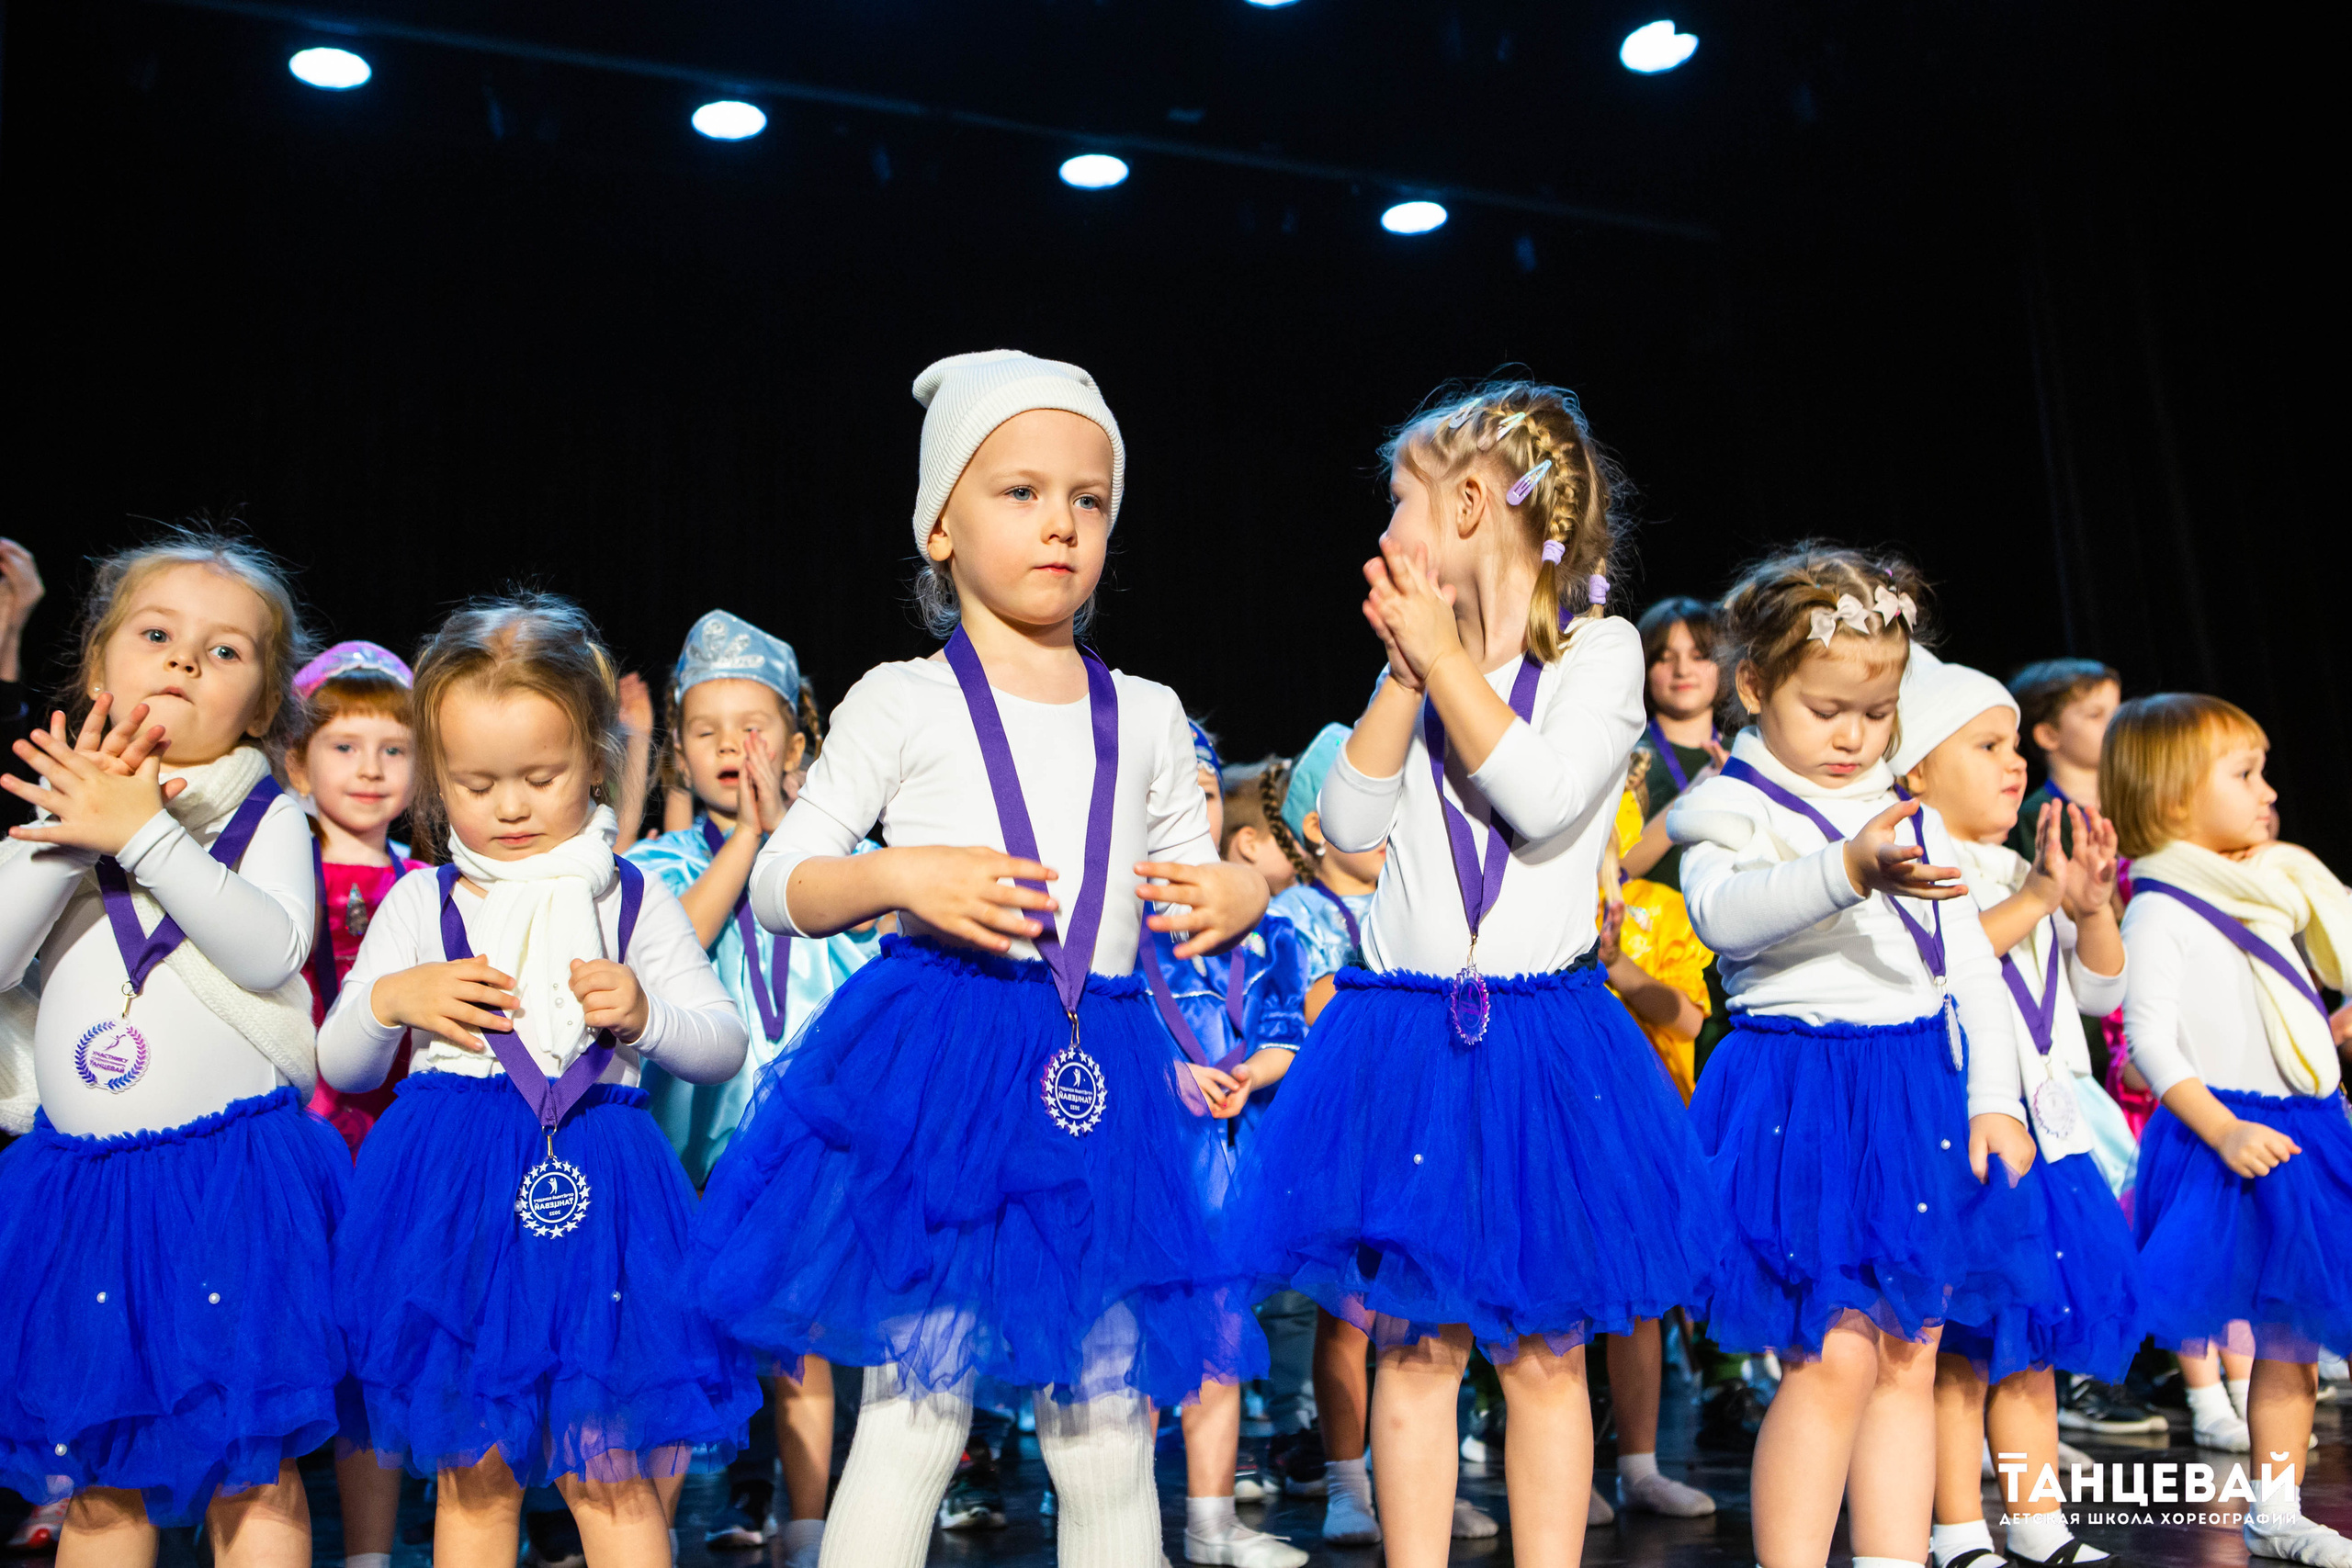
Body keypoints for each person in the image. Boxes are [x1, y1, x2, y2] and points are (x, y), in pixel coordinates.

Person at [693, 351, 1270, 1568]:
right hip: (946, 1062)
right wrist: (903, 875)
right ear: (941, 525)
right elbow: (791, 882)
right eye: (1019, 491)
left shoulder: (1152, 714)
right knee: (913, 1408)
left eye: (1089, 497)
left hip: (1099, 1063)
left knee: (1109, 1419)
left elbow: (1193, 872)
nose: (1060, 520)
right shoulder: (902, 699)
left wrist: (1240, 884)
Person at [1237, 379, 1723, 1568]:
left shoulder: (1599, 652)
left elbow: (1549, 803)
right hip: (1403, 1031)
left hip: (1543, 1039)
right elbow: (1342, 824)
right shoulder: (1416, 663)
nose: (1389, 530)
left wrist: (1446, 658)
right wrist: (1404, 676)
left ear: (1469, 502)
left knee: (1546, 1344)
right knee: (1414, 1337)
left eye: (1402, 501)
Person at [320, 592, 757, 1568]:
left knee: (611, 1475)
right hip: (452, 1198)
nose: (510, 807)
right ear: (437, 779)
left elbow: (720, 1044)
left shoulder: (632, 894)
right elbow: (340, 1067)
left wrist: (647, 1012)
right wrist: (392, 997)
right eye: (475, 784)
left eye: (540, 777)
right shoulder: (418, 901)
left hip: (601, 1191)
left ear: (594, 761)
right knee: (474, 1479)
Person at [1668, 544, 2038, 1568]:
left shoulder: (1903, 807)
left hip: (1914, 1087)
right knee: (1832, 1357)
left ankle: (1891, 1556)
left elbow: (1967, 966)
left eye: (1875, 715)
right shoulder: (1728, 802)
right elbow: (1727, 918)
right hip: (1803, 1091)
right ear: (1754, 686)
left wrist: (1992, 1097)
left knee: (1910, 1352)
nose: (1853, 736)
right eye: (1826, 709)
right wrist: (1848, 867)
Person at [0, 530, 347, 1565]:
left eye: (226, 651)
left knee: (256, 1468)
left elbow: (271, 945)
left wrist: (144, 830)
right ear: (99, 664)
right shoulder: (54, 805)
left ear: (264, 703)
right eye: (156, 635)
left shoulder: (267, 816)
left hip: (230, 1186)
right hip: (82, 1195)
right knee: (102, 1482)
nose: (187, 661)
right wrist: (79, 829)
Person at [624, 609, 876, 1565]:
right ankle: (647, 1536)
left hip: (804, 1157)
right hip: (687, 1160)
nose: (733, 747)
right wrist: (743, 842)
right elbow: (671, 948)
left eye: (755, 726)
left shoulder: (834, 865)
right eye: (705, 731)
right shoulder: (656, 867)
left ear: (799, 740)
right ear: (676, 756)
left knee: (800, 1346)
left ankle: (810, 1532)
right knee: (676, 1355)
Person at [1893, 650, 2141, 1568]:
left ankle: (2036, 1521)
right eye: (1986, 745)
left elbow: (2100, 995)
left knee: (2029, 1343)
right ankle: (1957, 1527)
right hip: (1960, 1135)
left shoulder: (2012, 862)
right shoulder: (1917, 864)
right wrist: (2037, 897)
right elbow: (1944, 967)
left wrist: (2092, 906)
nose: (2013, 764)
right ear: (1916, 766)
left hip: (2041, 1132)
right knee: (1958, 1354)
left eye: (2012, 746)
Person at [2109, 694, 2352, 1567]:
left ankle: (2278, 1506)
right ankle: (2265, 1493)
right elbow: (2150, 1042)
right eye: (2244, 775)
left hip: (2308, 1128)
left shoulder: (2269, 889)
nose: (2269, 790)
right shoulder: (2161, 906)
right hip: (2232, 1135)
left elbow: (2299, 989)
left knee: (2294, 1342)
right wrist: (2223, 1128)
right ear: (2173, 797)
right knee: (2266, 1329)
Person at [1147, 723, 1312, 1568]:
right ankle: (1124, 1522)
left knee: (1219, 1341)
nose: (1185, 809)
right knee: (1135, 1352)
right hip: (1145, 1166)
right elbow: (1099, 1036)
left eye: (1202, 793)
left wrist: (1253, 1071)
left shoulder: (1271, 929)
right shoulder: (1116, 929)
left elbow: (1288, 1030)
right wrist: (1169, 1076)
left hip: (1234, 1166)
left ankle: (1211, 1524)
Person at [278, 637, 422, 1568]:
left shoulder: (426, 885)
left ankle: (370, 1553)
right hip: (299, 1140)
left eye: (393, 748)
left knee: (379, 1359)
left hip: (399, 1146)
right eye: (343, 745)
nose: (369, 769)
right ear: (295, 761)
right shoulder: (271, 877)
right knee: (287, 1344)